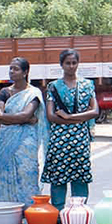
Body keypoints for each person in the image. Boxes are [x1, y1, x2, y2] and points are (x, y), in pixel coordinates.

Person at [42, 49, 98, 213]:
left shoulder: (87, 85)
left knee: (80, 176)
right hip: (59, 139)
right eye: (68, 63)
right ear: (61, 65)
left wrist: (68, 117)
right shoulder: (54, 86)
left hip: (80, 139)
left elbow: (95, 112)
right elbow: (51, 116)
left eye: (74, 63)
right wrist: (77, 118)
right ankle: (58, 216)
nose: (71, 66)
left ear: (78, 64)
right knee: (58, 177)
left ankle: (78, 213)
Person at [0, 57, 48, 209]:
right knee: (4, 174)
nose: (11, 72)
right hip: (6, 140)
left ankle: (30, 212)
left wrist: (8, 118)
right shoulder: (5, 92)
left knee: (27, 174)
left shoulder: (33, 93)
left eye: (15, 69)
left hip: (26, 142)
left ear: (25, 72)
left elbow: (25, 115)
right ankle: (6, 211)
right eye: (10, 68)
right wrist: (22, 119)